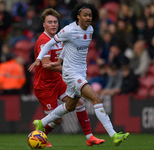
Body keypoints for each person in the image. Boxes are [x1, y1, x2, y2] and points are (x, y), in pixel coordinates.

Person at [29, 2, 130, 147]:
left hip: (74, 74)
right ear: (78, 16)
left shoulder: (90, 30)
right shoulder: (67, 31)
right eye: (85, 15)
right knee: (96, 99)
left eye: (90, 15)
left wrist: (59, 61)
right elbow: (49, 47)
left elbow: (68, 47)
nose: (88, 17)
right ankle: (114, 135)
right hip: (63, 77)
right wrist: (39, 60)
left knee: (72, 106)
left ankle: (42, 123)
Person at [32, 8, 104, 147]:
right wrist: (70, 70)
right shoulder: (43, 40)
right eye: (50, 22)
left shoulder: (60, 37)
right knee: (57, 120)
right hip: (45, 86)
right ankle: (40, 136)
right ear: (44, 25)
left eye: (55, 22)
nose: (53, 25)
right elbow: (46, 65)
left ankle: (89, 137)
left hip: (58, 80)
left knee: (79, 103)